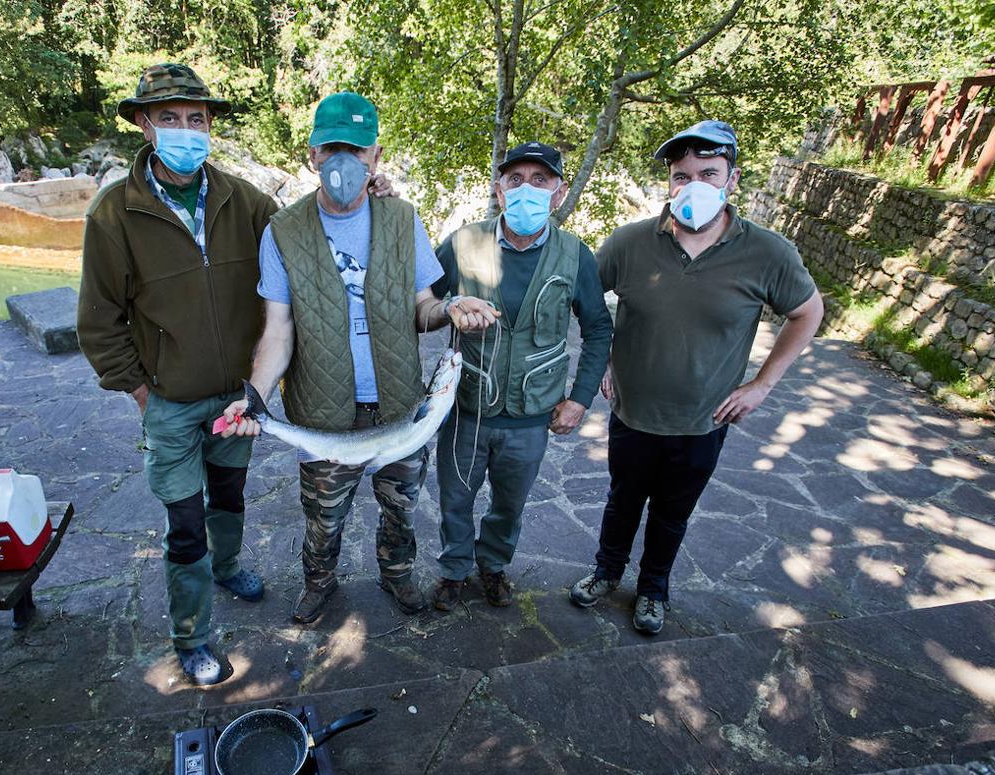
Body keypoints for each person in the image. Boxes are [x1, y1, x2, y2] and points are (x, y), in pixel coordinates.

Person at [220, 91, 497, 625]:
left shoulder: (402, 219)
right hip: (322, 411)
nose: (342, 161)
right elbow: (276, 330)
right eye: (331, 149)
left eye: (356, 150)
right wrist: (252, 399)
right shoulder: (283, 231)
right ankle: (319, 584)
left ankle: (397, 577)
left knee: (401, 510)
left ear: (376, 156)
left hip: (397, 404)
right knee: (322, 519)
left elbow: (424, 306)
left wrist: (453, 307)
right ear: (312, 156)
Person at [569, 120, 824, 635]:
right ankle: (606, 573)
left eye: (708, 173)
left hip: (703, 418)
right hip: (634, 409)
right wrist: (607, 364)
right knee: (622, 500)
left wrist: (761, 384)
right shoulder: (630, 243)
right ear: (669, 183)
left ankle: (653, 590)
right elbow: (586, 303)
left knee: (671, 513)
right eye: (682, 176)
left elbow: (808, 313)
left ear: (732, 181)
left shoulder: (768, 253)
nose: (693, 186)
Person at [76, 63, 276, 687]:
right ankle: (192, 638)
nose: (186, 130)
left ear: (210, 125)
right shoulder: (116, 214)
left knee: (229, 497)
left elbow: (301, 239)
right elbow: (99, 320)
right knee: (185, 526)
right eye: (169, 119)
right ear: (143, 125)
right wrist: (141, 392)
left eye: (196, 119)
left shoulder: (244, 201)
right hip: (168, 403)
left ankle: (230, 565)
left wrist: (368, 195)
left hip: (234, 400)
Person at [428, 142, 612, 610]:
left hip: (531, 417)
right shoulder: (463, 242)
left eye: (540, 180)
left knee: (509, 506)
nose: (526, 189)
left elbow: (597, 329)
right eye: (515, 179)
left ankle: (492, 567)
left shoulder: (575, 255)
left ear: (559, 191)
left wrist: (580, 398)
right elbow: (418, 305)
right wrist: (450, 308)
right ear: (498, 188)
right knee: (454, 500)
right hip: (467, 408)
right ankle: (454, 571)